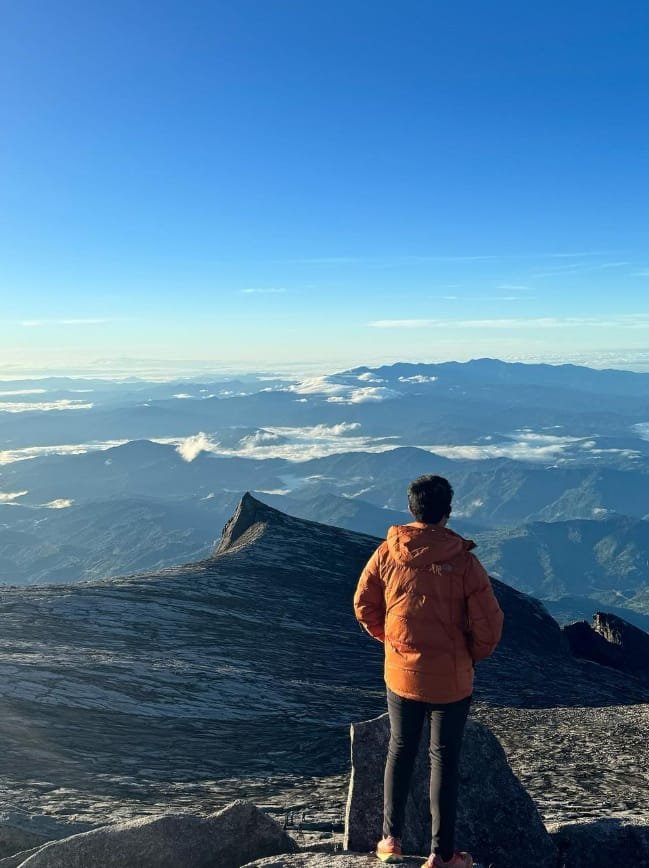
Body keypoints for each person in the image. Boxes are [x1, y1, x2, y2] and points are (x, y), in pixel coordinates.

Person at [353, 475, 504, 868]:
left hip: (401, 674)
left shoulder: (388, 552)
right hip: (452, 680)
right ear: (448, 512)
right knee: (444, 760)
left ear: (410, 509)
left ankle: (390, 840)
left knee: (399, 751)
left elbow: (364, 604)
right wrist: (471, 656)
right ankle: (442, 855)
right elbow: (490, 626)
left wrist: (393, 644)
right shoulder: (466, 563)